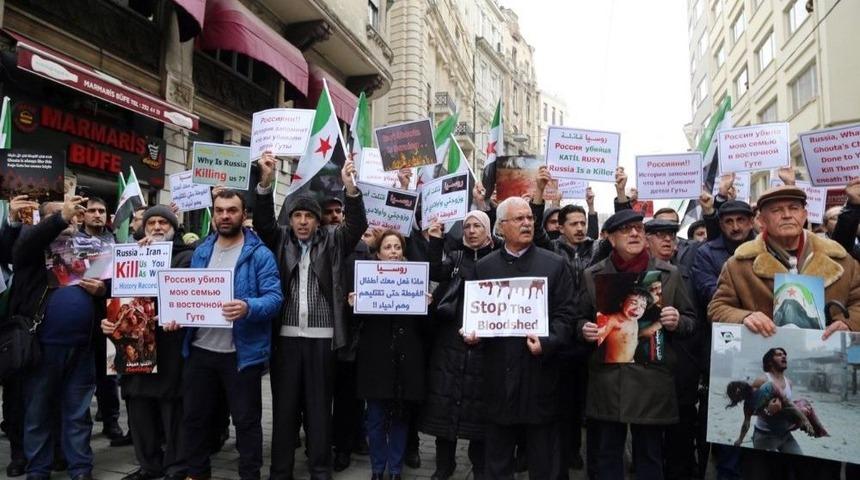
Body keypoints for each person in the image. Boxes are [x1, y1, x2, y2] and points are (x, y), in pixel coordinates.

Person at [708, 185, 860, 479]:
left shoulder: (842, 259)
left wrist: (850, 323)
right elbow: (717, 308)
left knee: (817, 470)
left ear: (805, 214)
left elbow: (858, 303)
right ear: (760, 221)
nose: (787, 215)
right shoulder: (739, 264)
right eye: (777, 210)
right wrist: (745, 316)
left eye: (793, 208)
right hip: (767, 395)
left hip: (822, 368)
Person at [253, 152, 367, 480]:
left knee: (320, 411)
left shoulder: (334, 240)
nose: (302, 221)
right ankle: (280, 472)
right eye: (297, 215)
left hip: (322, 341)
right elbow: (262, 222)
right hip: (286, 340)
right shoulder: (279, 240)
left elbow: (357, 224)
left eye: (308, 216)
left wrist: (350, 189)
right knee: (285, 410)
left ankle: (320, 470)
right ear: (290, 218)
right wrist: (265, 183)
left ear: (318, 221)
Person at [169, 189, 282, 480]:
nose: (225, 216)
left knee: (246, 422)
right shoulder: (202, 250)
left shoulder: (260, 255)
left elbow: (274, 298)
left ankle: (249, 475)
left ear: (243, 214)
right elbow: (190, 296)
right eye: (219, 210)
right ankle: (197, 473)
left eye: (231, 210)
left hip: (240, 355)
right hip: (199, 350)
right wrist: (177, 316)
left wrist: (247, 307)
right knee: (194, 418)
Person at [579, 209, 696, 480]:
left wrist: (678, 321)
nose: (634, 233)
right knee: (608, 455)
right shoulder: (592, 275)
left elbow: (691, 322)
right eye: (625, 230)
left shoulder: (669, 274)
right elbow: (578, 318)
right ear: (609, 238)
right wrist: (582, 329)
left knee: (650, 456)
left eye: (638, 228)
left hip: (652, 383)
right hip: (609, 381)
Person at [464, 196, 575, 479]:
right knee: (498, 462)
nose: (527, 223)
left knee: (544, 463)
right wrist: (473, 336)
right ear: (502, 227)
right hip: (498, 380)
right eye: (519, 219)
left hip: (540, 379)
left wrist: (547, 342)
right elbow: (476, 316)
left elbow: (567, 317)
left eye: (529, 218)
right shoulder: (484, 268)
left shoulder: (554, 265)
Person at [12, 195, 108, 480]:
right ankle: (38, 470)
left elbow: (112, 288)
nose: (66, 218)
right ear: (44, 220)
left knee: (78, 414)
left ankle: (80, 469)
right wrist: (60, 218)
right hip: (41, 347)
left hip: (82, 347)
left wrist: (101, 293)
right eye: (56, 215)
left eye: (69, 214)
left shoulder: (90, 249)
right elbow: (22, 248)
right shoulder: (31, 248)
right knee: (38, 413)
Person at [100, 205, 194, 480]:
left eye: (163, 222)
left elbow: (183, 296)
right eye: (151, 222)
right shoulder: (129, 255)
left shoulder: (186, 257)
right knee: (139, 408)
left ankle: (176, 467)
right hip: (135, 344)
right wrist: (110, 320)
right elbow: (116, 295)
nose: (157, 227)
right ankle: (148, 465)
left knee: (171, 410)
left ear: (174, 229)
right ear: (143, 227)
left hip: (170, 347)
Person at [349, 230, 430, 480]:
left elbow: (427, 331)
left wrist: (428, 307)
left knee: (400, 418)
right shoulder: (366, 280)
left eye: (397, 247)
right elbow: (357, 325)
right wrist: (353, 306)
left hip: (406, 363)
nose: (393, 251)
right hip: (376, 362)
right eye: (388, 247)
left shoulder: (416, 281)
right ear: (378, 253)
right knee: (374, 419)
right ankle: (377, 469)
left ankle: (395, 470)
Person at [420, 211, 494, 480]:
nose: (472, 231)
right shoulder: (456, 257)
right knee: (445, 403)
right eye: (467, 227)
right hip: (450, 340)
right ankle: (444, 464)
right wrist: (435, 241)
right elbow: (434, 270)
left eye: (477, 226)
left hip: (484, 342)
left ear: (488, 230)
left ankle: (481, 465)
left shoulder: (497, 260)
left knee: (479, 408)